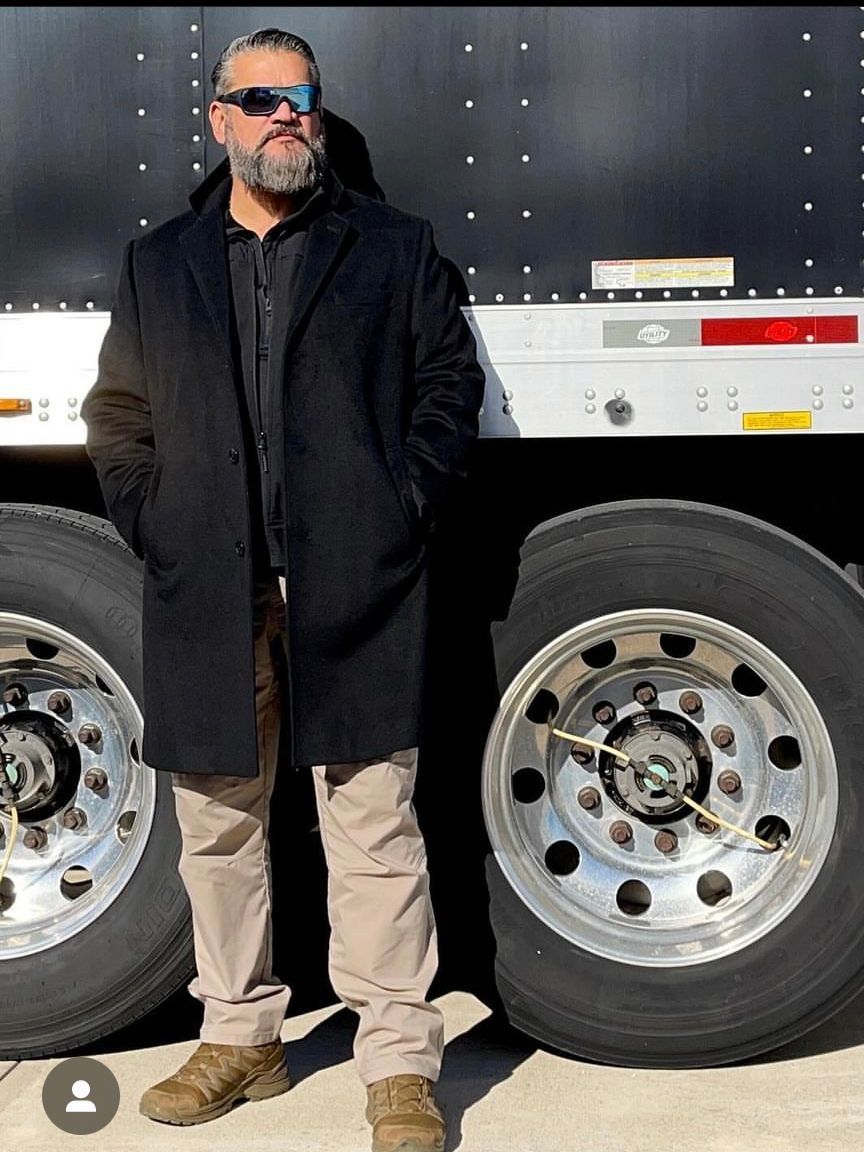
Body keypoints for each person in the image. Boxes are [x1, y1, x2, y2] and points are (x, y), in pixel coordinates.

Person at [80, 26, 485, 1152]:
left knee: (371, 826)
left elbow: (448, 385)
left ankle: (398, 1060)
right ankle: (242, 1037)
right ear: (218, 118)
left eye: (300, 96)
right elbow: (118, 415)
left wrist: (404, 502)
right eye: (258, 100)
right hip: (209, 587)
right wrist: (158, 522)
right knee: (216, 827)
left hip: (355, 580)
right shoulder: (159, 261)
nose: (284, 117)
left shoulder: (392, 248)